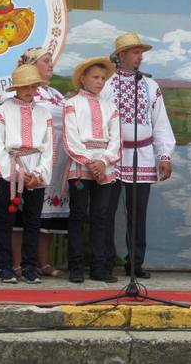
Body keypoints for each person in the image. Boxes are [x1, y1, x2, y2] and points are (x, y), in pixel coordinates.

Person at [101, 33, 175, 278]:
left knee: (137, 213)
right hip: (112, 155)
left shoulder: (150, 85)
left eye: (141, 53)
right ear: (121, 55)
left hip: (141, 155)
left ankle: (135, 262)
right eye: (135, 52)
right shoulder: (107, 85)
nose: (140, 57)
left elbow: (160, 123)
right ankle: (105, 260)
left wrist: (164, 155)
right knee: (106, 210)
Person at [0, 47, 68, 278]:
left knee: (39, 216)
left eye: (52, 61)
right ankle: (14, 265)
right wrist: (15, 172)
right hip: (16, 167)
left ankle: (37, 264)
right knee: (15, 217)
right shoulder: (8, 103)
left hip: (46, 166)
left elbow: (51, 138)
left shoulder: (55, 97)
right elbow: (1, 139)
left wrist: (40, 171)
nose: (51, 65)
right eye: (46, 61)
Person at [0, 64, 54, 284]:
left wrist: (38, 173)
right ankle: (5, 267)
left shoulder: (44, 113)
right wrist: (13, 173)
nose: (29, 90)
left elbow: (49, 146)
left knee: (33, 220)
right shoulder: (3, 110)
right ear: (16, 88)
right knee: (6, 220)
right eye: (24, 86)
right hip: (11, 168)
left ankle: (29, 266)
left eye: (33, 85)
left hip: (35, 167)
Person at [62, 57, 121, 283]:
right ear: (82, 78)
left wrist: (103, 162)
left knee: (101, 216)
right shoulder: (71, 104)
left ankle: (99, 267)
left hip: (104, 166)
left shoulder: (110, 107)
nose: (100, 82)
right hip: (80, 165)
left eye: (103, 78)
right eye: (95, 77)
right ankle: (76, 267)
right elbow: (70, 138)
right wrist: (89, 161)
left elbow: (116, 140)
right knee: (78, 215)